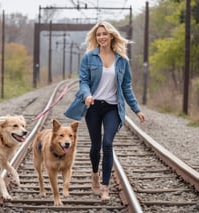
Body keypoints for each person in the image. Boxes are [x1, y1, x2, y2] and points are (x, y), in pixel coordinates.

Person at [64, 21, 145, 201]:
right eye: (98, 34)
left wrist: (136, 109)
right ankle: (95, 175)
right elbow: (83, 81)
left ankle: (105, 187)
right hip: (93, 106)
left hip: (113, 108)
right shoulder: (88, 58)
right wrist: (87, 95)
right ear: (96, 37)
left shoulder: (122, 60)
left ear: (111, 36)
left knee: (107, 144)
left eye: (104, 34)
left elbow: (126, 87)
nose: (101, 37)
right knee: (95, 146)